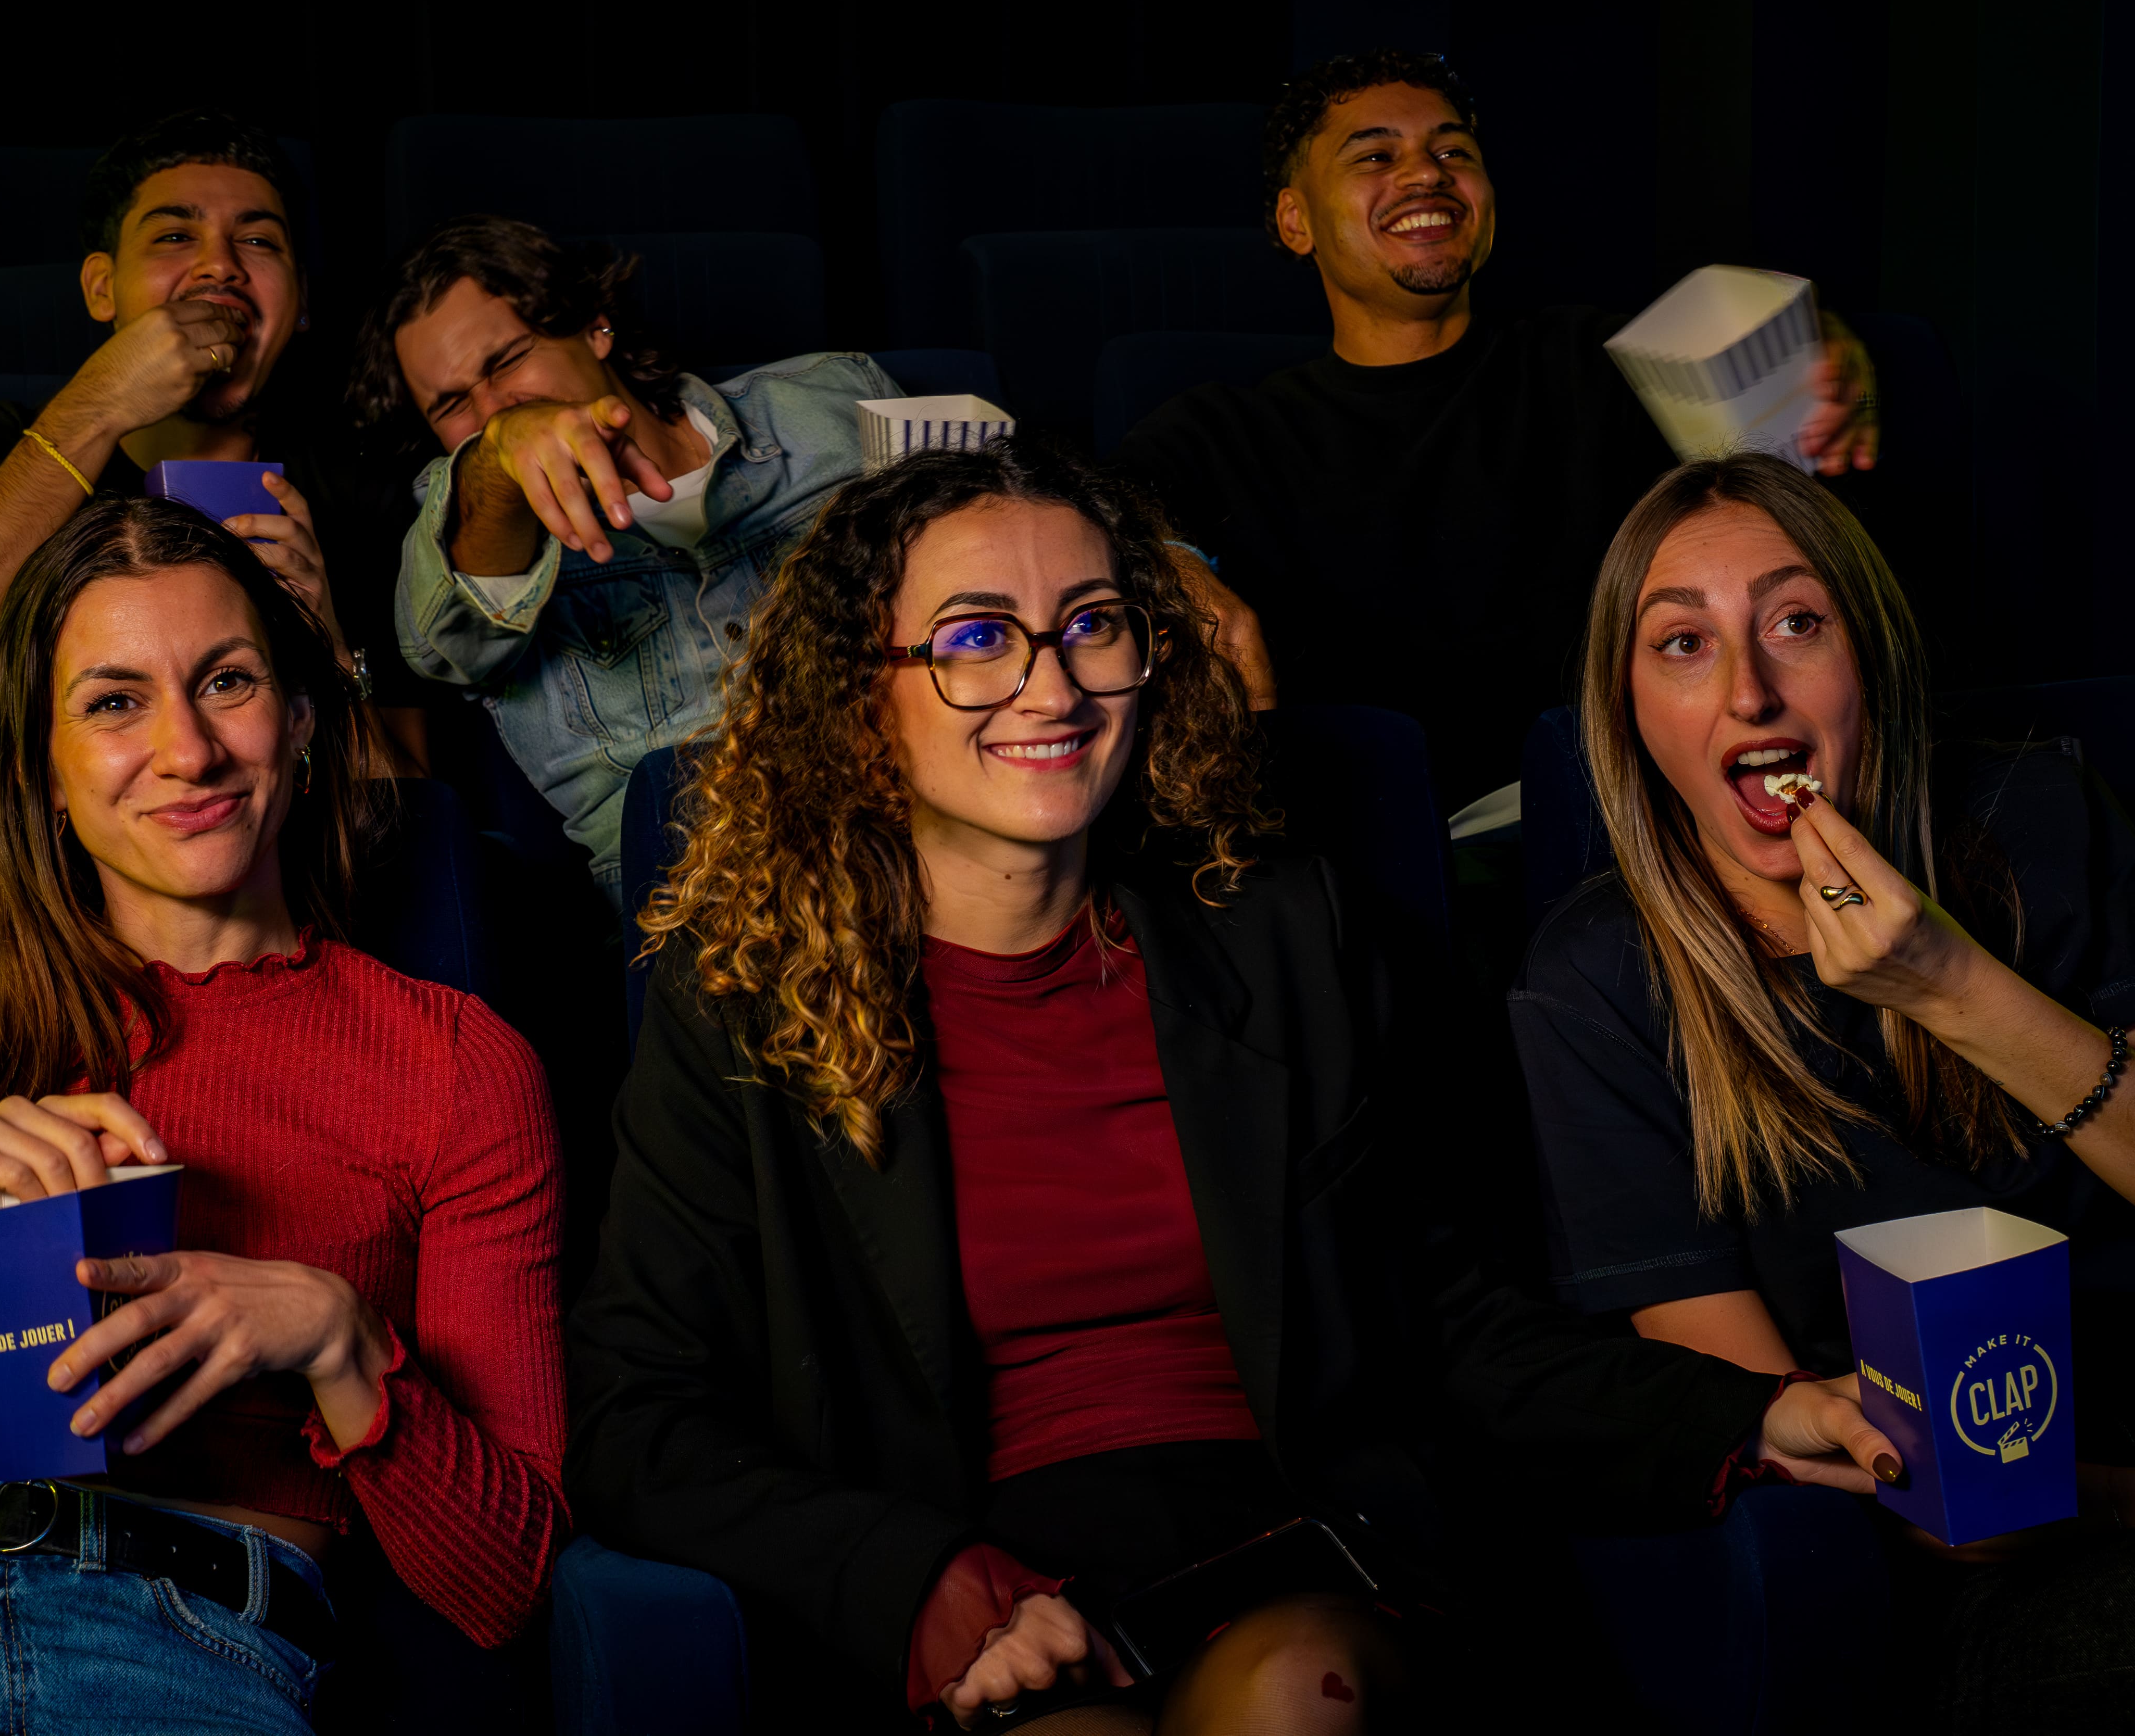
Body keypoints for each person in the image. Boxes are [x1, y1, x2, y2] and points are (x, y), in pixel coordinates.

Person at [565, 439, 1903, 1731]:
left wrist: (1750, 1415)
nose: (1050, 689)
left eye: (1091, 625)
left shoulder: (1285, 935)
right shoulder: (739, 1004)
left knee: (1290, 1697)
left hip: (1301, 1555)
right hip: (984, 1603)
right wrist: (909, 1580)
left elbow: (1455, 1328)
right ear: (863, 699)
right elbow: (638, 1415)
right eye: (977, 640)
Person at [1512, 452, 2135, 1729]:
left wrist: (1952, 986)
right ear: (1630, 711)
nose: (1748, 691)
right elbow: (1819, 1450)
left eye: (1794, 622)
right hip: (2008, 1554)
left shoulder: (2036, 812)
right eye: (1680, 644)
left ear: (1865, 659)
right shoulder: (1593, 985)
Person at [0, 499, 566, 1732]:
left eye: (228, 682)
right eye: (114, 701)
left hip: (187, 1651)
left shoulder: (456, 1066)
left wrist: (341, 1344)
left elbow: (502, 1585)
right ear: (44, 764)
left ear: (302, 721)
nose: (187, 751)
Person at [1115, 48, 1882, 815]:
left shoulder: (1605, 368)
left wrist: (1802, 354)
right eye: (1377, 155)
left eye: (1454, 152)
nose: (1426, 175)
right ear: (1296, 221)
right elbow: (1092, 504)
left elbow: (1778, 418)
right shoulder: (1226, 430)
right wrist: (1176, 567)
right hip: (1357, 843)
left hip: (1617, 822)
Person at [0, 109, 436, 800]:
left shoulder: (360, 492)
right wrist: (100, 401)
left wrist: (331, 651)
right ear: (102, 288)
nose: (221, 265)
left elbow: (414, 832)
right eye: (174, 235)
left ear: (302, 301)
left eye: (257, 240)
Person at [353, 216, 908, 898]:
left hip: (927, 824)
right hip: (710, 905)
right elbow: (445, 642)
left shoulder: (830, 399)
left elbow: (1006, 544)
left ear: (595, 327)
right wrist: (499, 457)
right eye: (454, 405)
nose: (494, 409)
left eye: (506, 362)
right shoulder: (467, 518)